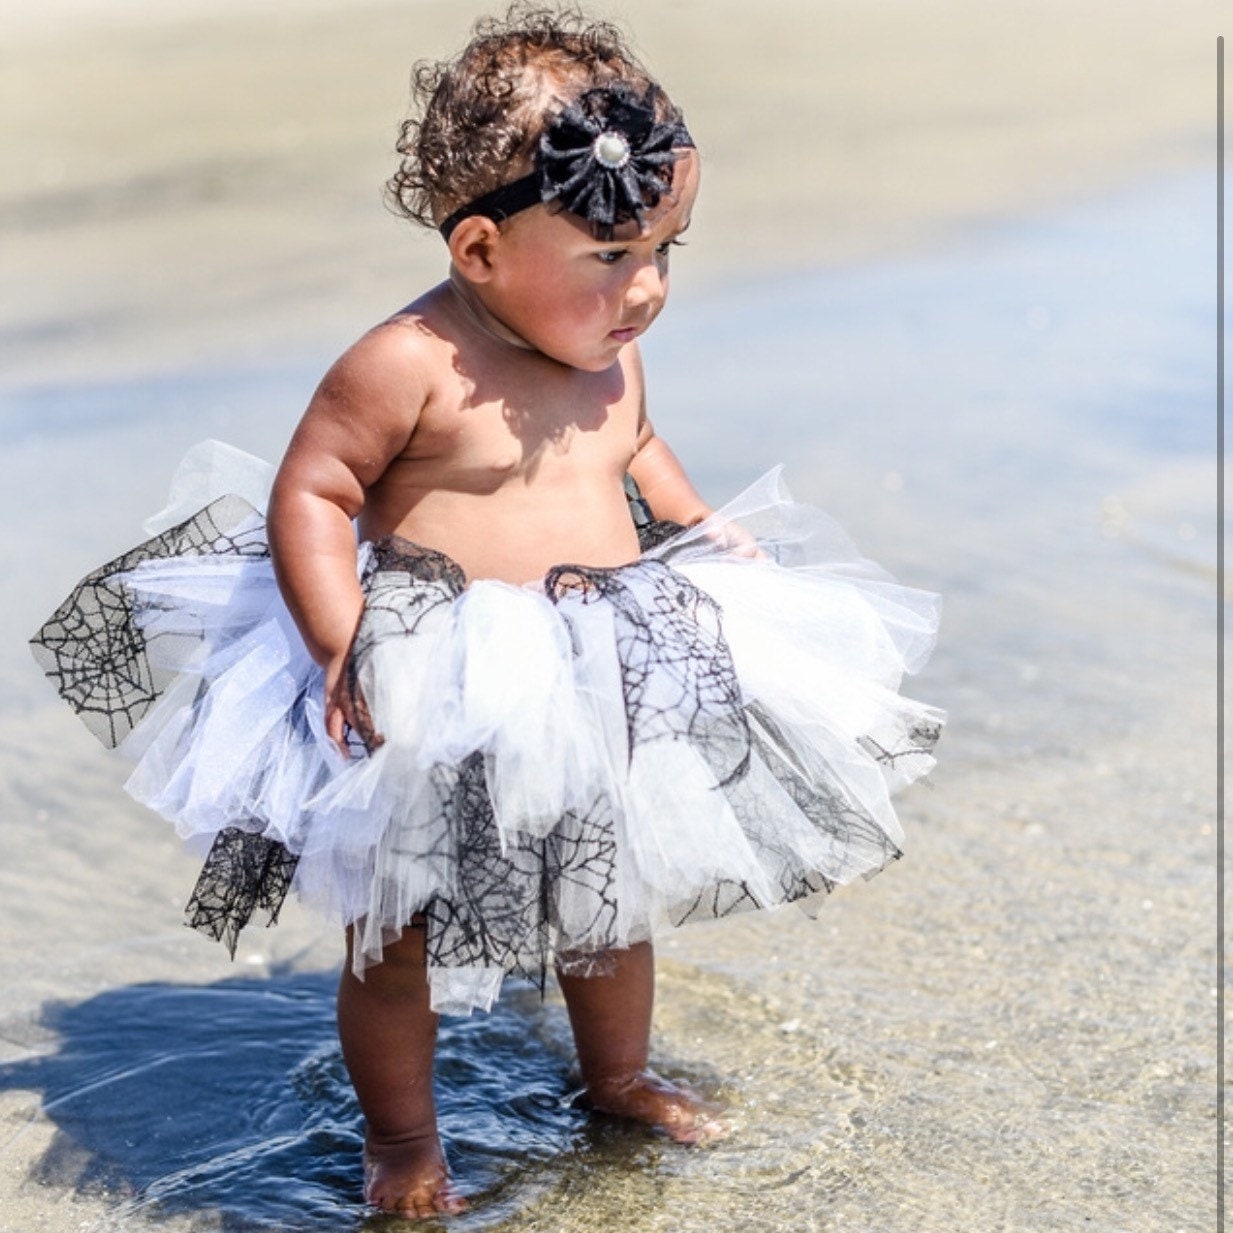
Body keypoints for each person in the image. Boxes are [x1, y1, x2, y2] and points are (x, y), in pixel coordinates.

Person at [30, 4, 943, 1221]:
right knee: (392, 930)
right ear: (477, 250)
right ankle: (405, 1141)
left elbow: (638, 445)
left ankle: (616, 1073)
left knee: (602, 891)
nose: (650, 290)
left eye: (671, 249)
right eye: (612, 258)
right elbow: (315, 490)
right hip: (433, 672)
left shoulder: (609, 345)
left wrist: (690, 518)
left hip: (593, 661)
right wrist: (338, 640)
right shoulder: (406, 362)